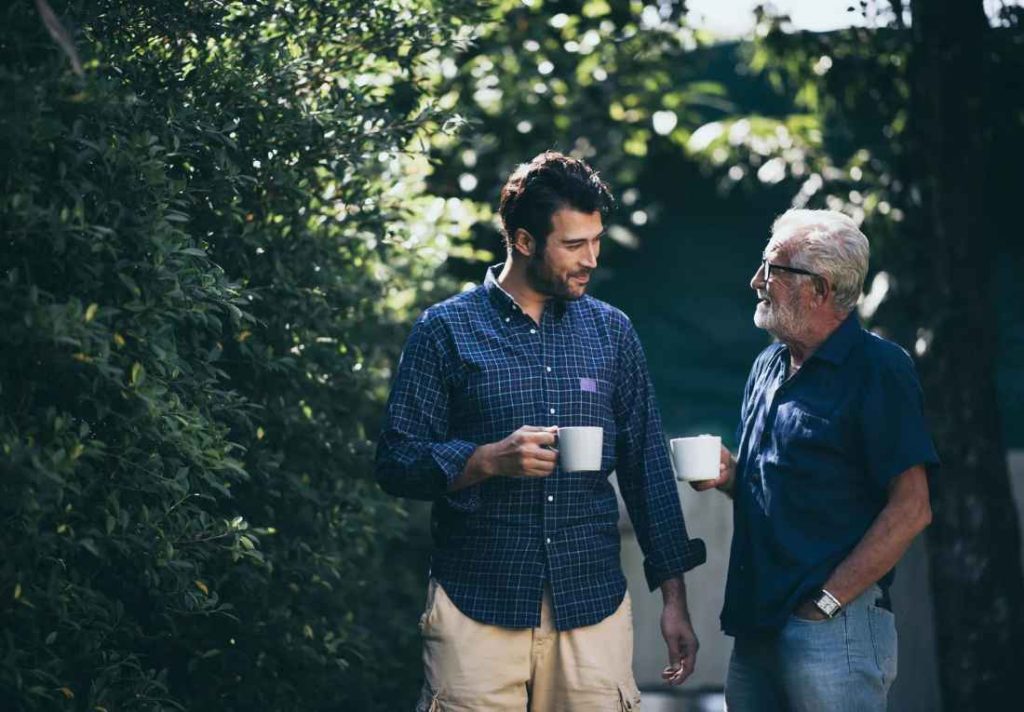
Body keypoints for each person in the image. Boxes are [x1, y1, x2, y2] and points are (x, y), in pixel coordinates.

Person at [375, 151, 706, 710]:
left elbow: (647, 467)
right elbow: (395, 460)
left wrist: (675, 597)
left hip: (591, 604)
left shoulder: (612, 333)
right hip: (477, 602)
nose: (591, 259)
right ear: (524, 242)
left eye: (596, 240)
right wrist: (484, 460)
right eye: (574, 246)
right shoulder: (445, 331)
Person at [692, 209, 938, 711]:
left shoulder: (879, 370)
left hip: (833, 625)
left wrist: (824, 604)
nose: (756, 281)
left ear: (820, 289)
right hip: (756, 623)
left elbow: (912, 508)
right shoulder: (768, 364)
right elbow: (789, 489)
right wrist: (732, 475)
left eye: (772, 269)